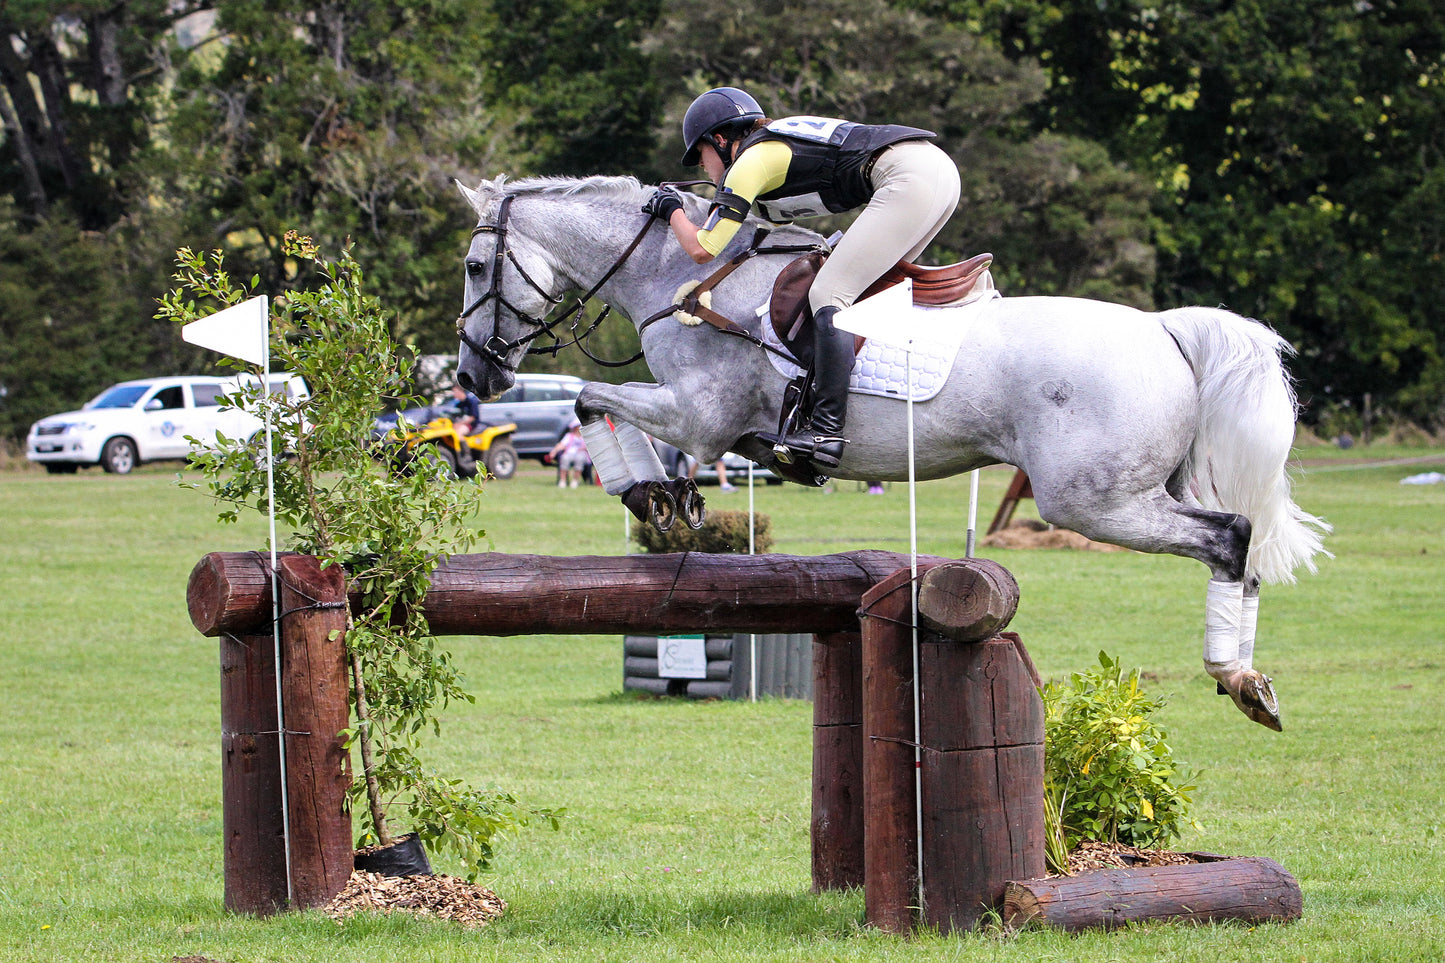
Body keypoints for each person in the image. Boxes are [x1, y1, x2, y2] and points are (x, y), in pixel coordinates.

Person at [642, 86, 961, 472]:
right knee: (865, 294)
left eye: (701, 157)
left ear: (721, 140)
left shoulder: (749, 162)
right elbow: (768, 226)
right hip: (933, 170)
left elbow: (702, 248)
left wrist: (672, 209)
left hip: (909, 177)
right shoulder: (769, 153)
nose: (704, 170)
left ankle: (825, 431)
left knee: (830, 294)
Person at [548, 420, 592, 488]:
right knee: (565, 458)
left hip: (581, 454)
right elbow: (562, 445)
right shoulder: (569, 436)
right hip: (570, 453)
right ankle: (563, 480)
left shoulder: (586, 437)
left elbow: (590, 447)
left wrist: (583, 448)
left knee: (579, 459)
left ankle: (575, 480)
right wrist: (554, 452)